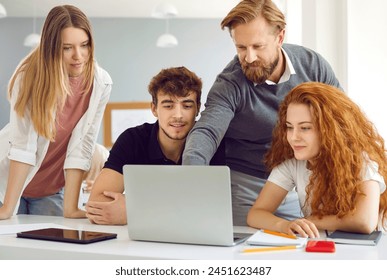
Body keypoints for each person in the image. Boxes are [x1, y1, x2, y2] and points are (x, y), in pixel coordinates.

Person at [182, 0, 342, 226]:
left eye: (258, 46)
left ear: (279, 37)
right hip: (246, 190)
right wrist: (192, 176)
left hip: (301, 185)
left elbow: (344, 122)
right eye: (241, 48)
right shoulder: (230, 83)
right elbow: (206, 132)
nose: (249, 57)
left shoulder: (312, 65)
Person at [0, 5, 112, 219]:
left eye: (84, 45)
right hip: (7, 187)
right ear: (51, 47)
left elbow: (83, 146)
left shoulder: (101, 83)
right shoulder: (28, 78)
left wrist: (71, 209)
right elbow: (23, 147)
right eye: (66, 48)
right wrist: (7, 208)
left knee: (51, 249)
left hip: (51, 190)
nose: (78, 56)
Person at [86, 66, 225, 225]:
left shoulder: (214, 143)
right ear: (154, 109)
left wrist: (134, 211)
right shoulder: (132, 140)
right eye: (168, 105)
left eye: (187, 106)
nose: (178, 115)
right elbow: (97, 204)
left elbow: (212, 210)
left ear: (198, 108)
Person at [247, 82, 387, 237]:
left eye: (305, 128)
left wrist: (311, 221)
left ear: (332, 129)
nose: (293, 137)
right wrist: (285, 225)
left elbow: (364, 221)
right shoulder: (292, 165)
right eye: (289, 127)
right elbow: (255, 214)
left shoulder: (362, 161)